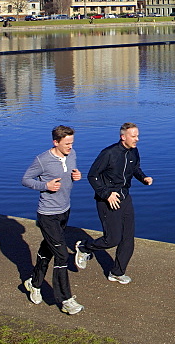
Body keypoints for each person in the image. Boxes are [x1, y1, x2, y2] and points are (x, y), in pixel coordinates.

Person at [74, 122, 153, 284]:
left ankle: (117, 272)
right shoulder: (109, 153)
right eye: (134, 136)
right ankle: (84, 247)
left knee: (128, 239)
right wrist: (106, 194)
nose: (137, 139)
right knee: (112, 239)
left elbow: (135, 169)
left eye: (137, 136)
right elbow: (92, 176)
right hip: (107, 200)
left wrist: (143, 178)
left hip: (125, 198)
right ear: (123, 137)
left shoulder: (134, 152)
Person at [21, 125, 85, 315]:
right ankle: (65, 299)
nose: (70, 147)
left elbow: (71, 172)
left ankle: (34, 282)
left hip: (65, 210)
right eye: (66, 144)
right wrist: (45, 185)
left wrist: (77, 176)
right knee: (62, 255)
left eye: (72, 143)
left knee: (47, 249)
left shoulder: (72, 154)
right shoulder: (42, 160)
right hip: (48, 214)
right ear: (55, 142)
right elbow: (25, 179)